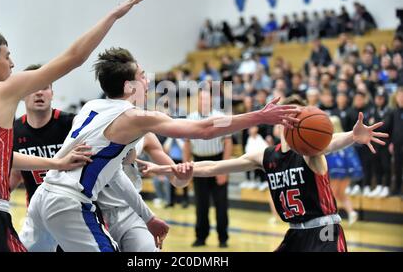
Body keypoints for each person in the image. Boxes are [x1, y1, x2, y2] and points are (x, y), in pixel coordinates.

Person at [24, 46, 301, 252]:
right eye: (142, 75)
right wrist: (258, 116)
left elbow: (114, 175)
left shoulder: (91, 107)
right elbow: (205, 129)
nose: (147, 80)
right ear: (130, 85)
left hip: (44, 197)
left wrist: (148, 215)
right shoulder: (135, 118)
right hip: (70, 202)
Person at [0, 0, 147, 252]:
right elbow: (72, 59)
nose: (12, 63)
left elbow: (2, 155)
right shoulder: (1, 90)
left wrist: (56, 162)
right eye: (7, 56)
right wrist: (112, 16)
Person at [142, 96, 388, 252]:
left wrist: (352, 137)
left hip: (324, 232)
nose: (294, 121)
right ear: (281, 121)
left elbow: (331, 142)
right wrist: (165, 168)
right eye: (290, 116)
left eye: (299, 116)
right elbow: (215, 166)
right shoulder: (265, 156)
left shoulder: (310, 151)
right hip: (294, 232)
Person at [99, 132, 190, 252]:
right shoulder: (87, 126)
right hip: (95, 212)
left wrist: (184, 178)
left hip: (132, 212)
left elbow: (176, 180)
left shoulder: (146, 136)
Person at [10, 64, 76, 202]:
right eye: (34, 87)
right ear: (22, 94)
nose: (39, 92)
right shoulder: (13, 131)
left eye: (45, 87)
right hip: (37, 211)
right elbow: (15, 174)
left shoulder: (72, 123)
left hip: (73, 205)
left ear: (52, 94)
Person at [184, 90, 233, 248]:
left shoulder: (220, 117)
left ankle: (223, 238)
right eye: (201, 99)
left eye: (207, 99)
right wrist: (186, 168)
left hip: (217, 162)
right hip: (198, 162)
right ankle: (201, 237)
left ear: (211, 101)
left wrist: (224, 169)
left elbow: (228, 143)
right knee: (201, 204)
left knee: (221, 205)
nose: (204, 102)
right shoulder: (190, 119)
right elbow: (186, 144)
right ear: (197, 101)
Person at [326, 116, 361, 225]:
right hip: (347, 170)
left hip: (335, 170)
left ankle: (331, 216)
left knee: (332, 194)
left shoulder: (331, 140)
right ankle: (351, 212)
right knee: (340, 194)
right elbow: (352, 157)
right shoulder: (346, 139)